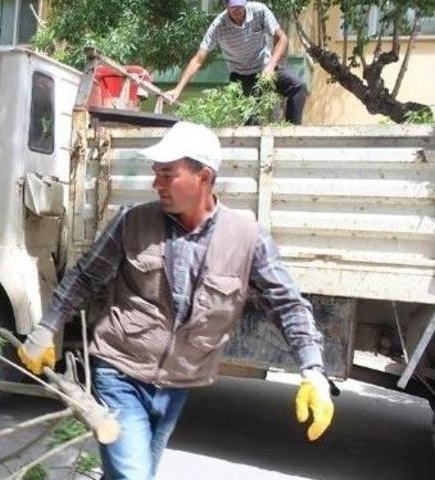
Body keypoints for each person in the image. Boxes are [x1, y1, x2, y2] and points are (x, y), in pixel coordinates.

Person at [17, 121, 334, 479]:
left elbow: (287, 304)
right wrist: (47, 327)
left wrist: (313, 372)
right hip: (120, 371)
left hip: (177, 385)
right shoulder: (132, 222)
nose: (157, 184)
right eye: (156, 174)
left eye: (168, 174)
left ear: (204, 177)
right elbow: (85, 277)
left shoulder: (247, 237)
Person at [168, 0, 307, 125]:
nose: (238, 12)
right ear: (226, 6)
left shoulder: (260, 11)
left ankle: (292, 133)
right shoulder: (218, 26)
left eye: (240, 7)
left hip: (265, 67)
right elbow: (198, 59)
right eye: (233, 8)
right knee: (251, 121)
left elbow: (282, 38)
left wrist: (271, 65)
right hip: (241, 75)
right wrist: (178, 89)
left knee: (298, 87)